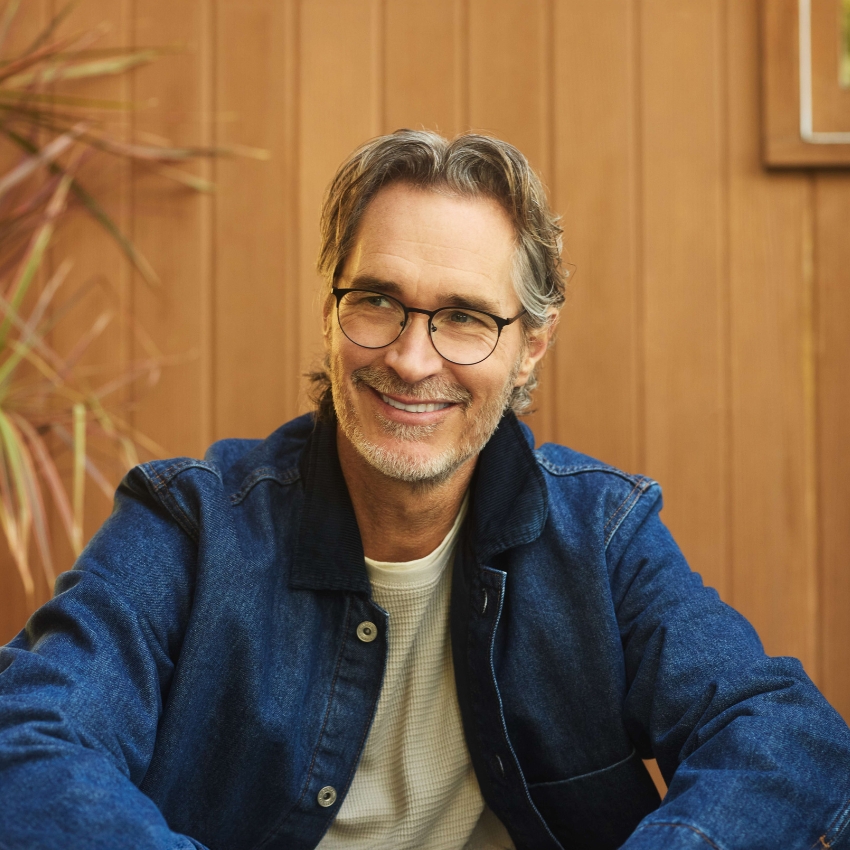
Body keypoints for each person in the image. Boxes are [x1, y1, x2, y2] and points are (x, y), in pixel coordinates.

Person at [0, 130, 849, 850]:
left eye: (466, 318)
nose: (411, 359)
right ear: (332, 314)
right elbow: (28, 737)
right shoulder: (189, 525)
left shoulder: (602, 534)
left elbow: (781, 730)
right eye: (379, 302)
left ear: (531, 348)